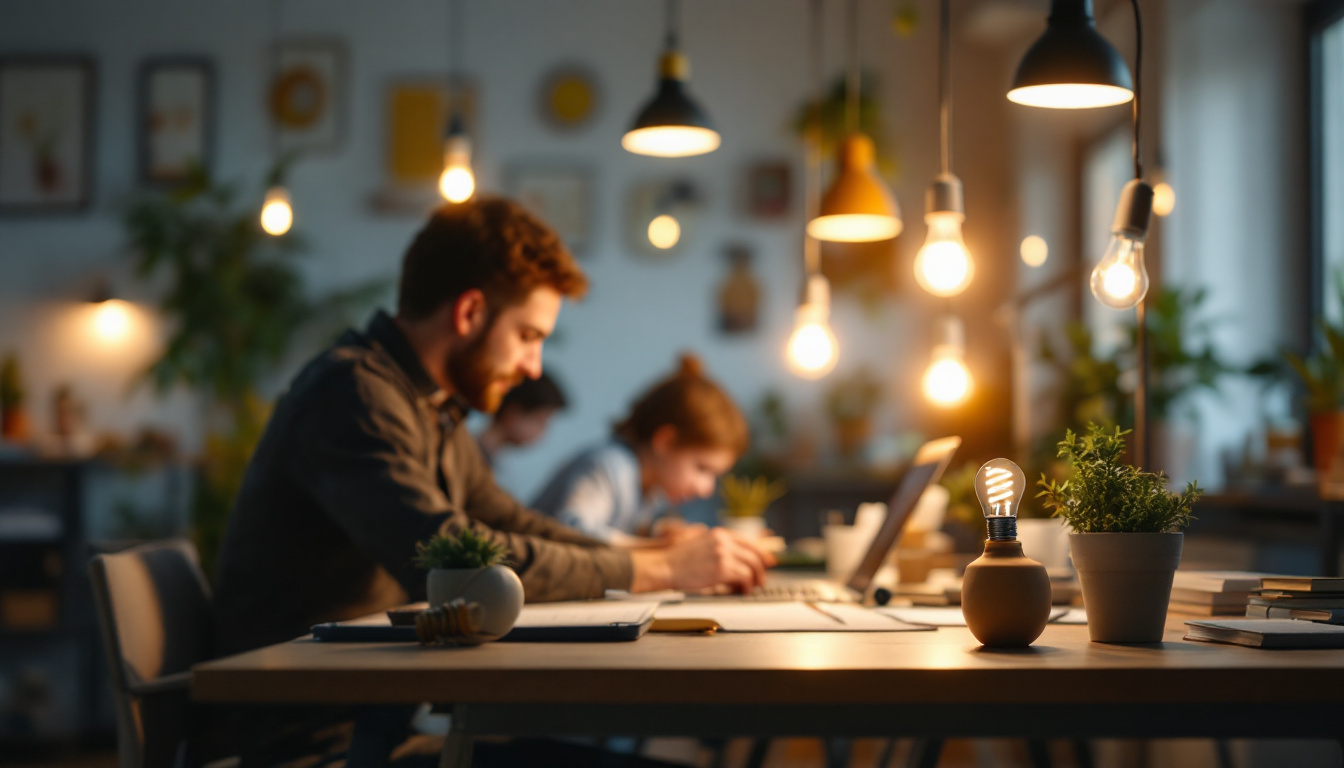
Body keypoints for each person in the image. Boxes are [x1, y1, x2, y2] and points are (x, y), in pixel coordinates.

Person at [210, 197, 774, 764]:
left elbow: (512, 523)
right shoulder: (352, 397)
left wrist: (656, 555)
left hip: (377, 726)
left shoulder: (431, 409)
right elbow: (456, 563)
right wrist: (659, 569)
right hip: (310, 749)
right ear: (469, 312)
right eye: (529, 335)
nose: (534, 366)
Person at [532, 354, 746, 544]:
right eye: (702, 468)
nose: (706, 488)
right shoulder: (608, 467)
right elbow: (571, 533)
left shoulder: (651, 491)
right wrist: (658, 549)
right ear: (666, 442)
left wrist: (658, 535)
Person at [475, 371, 567, 467]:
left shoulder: (486, 462)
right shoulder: (473, 459)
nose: (542, 432)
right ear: (513, 413)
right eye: (540, 421)